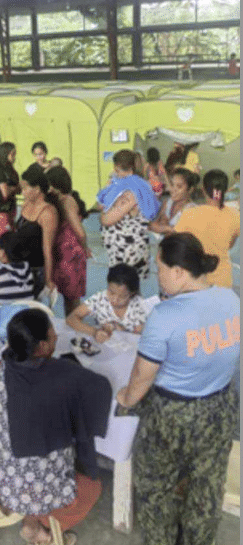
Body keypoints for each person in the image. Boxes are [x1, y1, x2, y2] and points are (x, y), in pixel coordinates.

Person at [116, 233, 240, 545]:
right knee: (206, 488)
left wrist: (125, 398)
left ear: (179, 272)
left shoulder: (164, 316)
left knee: (157, 489)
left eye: (159, 268)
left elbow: (142, 378)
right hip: (221, 408)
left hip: (173, 417)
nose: (157, 275)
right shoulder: (231, 298)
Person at [0, 308, 111, 545]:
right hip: (36, 485)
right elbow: (100, 388)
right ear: (40, 347)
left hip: (1, 472)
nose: (57, 337)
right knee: (92, 487)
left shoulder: (2, 366)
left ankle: (32, 517)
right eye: (52, 335)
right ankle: (39, 526)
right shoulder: (61, 375)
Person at [97, 150, 160, 279]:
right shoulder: (136, 185)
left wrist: (103, 214)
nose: (115, 174)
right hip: (128, 247)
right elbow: (102, 204)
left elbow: (106, 219)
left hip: (127, 251)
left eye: (117, 171)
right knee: (129, 289)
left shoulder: (130, 192)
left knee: (123, 288)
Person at [174, 169, 240, 288]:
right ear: (224, 190)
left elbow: (178, 244)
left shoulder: (189, 214)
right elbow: (231, 243)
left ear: (203, 190)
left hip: (196, 279)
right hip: (223, 281)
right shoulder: (235, 216)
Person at [46, 166, 91, 315]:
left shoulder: (67, 202)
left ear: (57, 185)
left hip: (70, 254)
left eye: (50, 184)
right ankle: (71, 323)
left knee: (72, 296)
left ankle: (75, 327)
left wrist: (85, 248)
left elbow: (80, 232)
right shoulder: (58, 200)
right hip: (62, 252)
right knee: (67, 293)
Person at [67, 263, 146, 342]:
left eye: (122, 297)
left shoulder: (139, 305)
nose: (114, 300)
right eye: (111, 292)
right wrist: (95, 332)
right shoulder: (100, 299)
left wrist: (121, 331)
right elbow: (71, 318)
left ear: (132, 294)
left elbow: (140, 336)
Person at [16, 165, 59, 297]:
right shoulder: (27, 203)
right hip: (19, 265)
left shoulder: (48, 213)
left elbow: (47, 249)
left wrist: (48, 279)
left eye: (25, 188)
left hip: (35, 269)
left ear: (37, 189)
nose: (22, 192)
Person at [149, 168, 199, 237]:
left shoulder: (191, 210)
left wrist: (166, 228)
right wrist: (170, 228)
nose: (173, 190)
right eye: (172, 185)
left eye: (179, 186)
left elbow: (180, 237)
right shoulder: (168, 202)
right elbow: (152, 225)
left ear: (190, 190)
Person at [0, 141, 20, 236]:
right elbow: (5, 193)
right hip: (1, 209)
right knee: (5, 237)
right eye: (12, 154)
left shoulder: (10, 169)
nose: (14, 157)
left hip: (11, 206)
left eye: (15, 154)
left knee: (13, 232)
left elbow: (16, 188)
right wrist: (18, 187)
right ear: (5, 154)